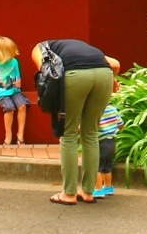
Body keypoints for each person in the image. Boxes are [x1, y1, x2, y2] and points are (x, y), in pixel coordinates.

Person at [34, 38, 118, 204]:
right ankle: (88, 192)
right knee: (91, 133)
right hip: (104, 75)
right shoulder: (86, 48)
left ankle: (69, 193)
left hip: (75, 75)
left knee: (68, 133)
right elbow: (115, 64)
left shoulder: (40, 47)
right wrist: (112, 80)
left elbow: (48, 73)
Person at [0, 36, 28, 146]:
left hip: (14, 90)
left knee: (22, 106)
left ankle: (20, 134)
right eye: (11, 52)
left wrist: (18, 82)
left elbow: (17, 76)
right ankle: (8, 135)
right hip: (1, 93)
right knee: (9, 109)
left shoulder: (14, 62)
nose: (14, 55)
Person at [95, 94, 122, 198]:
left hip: (100, 141)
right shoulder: (113, 110)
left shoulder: (97, 111)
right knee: (107, 166)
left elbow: (93, 125)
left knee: (97, 167)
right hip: (111, 142)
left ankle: (98, 189)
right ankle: (108, 187)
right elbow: (120, 124)